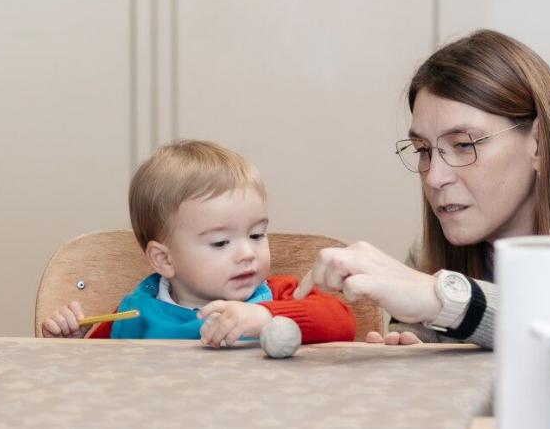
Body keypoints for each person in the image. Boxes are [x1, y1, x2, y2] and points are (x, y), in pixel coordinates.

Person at [294, 29, 550, 349]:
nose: (434, 176)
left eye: (464, 145)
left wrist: (441, 298)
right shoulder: (428, 253)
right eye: (424, 151)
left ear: (539, 143)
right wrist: (417, 371)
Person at [42, 140, 356, 345]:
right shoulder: (136, 314)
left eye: (257, 235)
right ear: (164, 260)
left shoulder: (276, 295)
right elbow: (97, 378)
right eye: (221, 243)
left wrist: (264, 317)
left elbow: (342, 321)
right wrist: (74, 343)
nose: (247, 253)